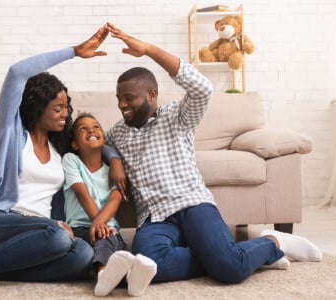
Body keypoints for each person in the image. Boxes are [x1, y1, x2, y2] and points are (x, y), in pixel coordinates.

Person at [104, 22, 323, 284]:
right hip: (154, 216)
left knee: (230, 270)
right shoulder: (119, 131)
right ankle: (231, 255)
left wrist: (149, 50)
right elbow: (100, 143)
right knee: (148, 264)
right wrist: (114, 158)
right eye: (119, 99)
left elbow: (203, 88)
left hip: (193, 205)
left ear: (151, 94)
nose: (122, 105)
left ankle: (270, 242)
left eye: (128, 98)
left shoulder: (176, 116)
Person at [0, 24, 114, 299]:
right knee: (59, 236)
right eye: (57, 108)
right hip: (2, 225)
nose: (65, 114)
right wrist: (74, 51)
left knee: (83, 256)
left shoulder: (59, 148)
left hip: (42, 236)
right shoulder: (12, 135)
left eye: (66, 107)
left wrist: (116, 160)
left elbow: (97, 145)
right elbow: (17, 72)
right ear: (38, 107)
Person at [62, 113, 156, 297]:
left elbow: (115, 199)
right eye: (83, 128)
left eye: (96, 126)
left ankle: (130, 280)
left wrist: (101, 225)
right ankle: (104, 275)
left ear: (104, 139)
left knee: (116, 251)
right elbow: (81, 194)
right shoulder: (71, 160)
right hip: (81, 228)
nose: (91, 130)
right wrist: (98, 224)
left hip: (111, 231)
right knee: (104, 242)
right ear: (75, 144)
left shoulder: (114, 173)